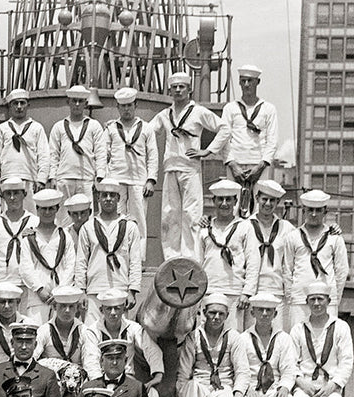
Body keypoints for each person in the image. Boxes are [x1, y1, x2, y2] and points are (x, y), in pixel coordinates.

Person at [150, 70, 228, 257]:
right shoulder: (164, 115)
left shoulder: (198, 112)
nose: (178, 90)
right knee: (170, 215)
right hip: (170, 168)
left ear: (189, 89)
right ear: (170, 90)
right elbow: (146, 130)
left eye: (182, 87)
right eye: (174, 87)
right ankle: (171, 257)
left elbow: (224, 128)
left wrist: (207, 151)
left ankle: (191, 258)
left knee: (191, 215)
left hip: (190, 169)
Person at [175, 293, 252, 397]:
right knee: (190, 387)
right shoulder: (193, 336)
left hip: (223, 386)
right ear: (204, 313)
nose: (216, 317)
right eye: (212, 313)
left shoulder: (234, 337)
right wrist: (181, 393)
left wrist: (238, 393)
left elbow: (242, 371)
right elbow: (184, 371)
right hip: (200, 384)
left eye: (221, 314)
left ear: (227, 316)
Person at [237, 292, 301, 397]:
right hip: (252, 388)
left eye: (268, 310)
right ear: (253, 313)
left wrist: (285, 388)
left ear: (275, 314)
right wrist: (247, 390)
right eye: (260, 310)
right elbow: (240, 369)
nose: (264, 314)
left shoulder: (283, 339)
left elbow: (289, 369)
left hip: (274, 389)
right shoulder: (243, 339)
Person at [73, 177, 143, 324]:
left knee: (118, 340)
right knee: (92, 336)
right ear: (98, 198)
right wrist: (81, 291)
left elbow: (135, 262)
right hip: (94, 290)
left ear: (118, 198)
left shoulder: (130, 227)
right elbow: (81, 261)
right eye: (104, 195)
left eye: (112, 195)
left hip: (120, 289)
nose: (108, 199)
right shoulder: (88, 227)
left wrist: (132, 291)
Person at [281, 189, 348, 331]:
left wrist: (334, 298)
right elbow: (287, 269)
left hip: (326, 299)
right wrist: (291, 296)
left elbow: (341, 270)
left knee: (325, 341)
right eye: (310, 210)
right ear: (304, 211)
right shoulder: (293, 237)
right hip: (299, 298)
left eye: (318, 210)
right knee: (298, 340)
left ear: (325, 212)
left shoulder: (334, 238)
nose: (313, 214)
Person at [289, 282, 353, 397]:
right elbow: (290, 364)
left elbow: (346, 362)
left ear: (328, 301)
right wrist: (303, 384)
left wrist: (332, 385)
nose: (316, 303)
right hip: (304, 388)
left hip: (330, 388)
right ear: (307, 302)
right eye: (312, 299)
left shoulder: (341, 327)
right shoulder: (298, 329)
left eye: (320, 299)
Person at [196, 178, 257, 329]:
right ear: (213, 201)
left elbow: (253, 262)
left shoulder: (245, 227)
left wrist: (247, 292)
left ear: (235, 201)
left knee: (233, 337)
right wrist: (197, 294)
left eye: (228, 199)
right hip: (209, 290)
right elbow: (197, 263)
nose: (224, 203)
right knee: (206, 336)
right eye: (220, 199)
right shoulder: (205, 229)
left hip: (234, 292)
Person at [105, 86, 158, 252]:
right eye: (123, 106)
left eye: (129, 105)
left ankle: (138, 258)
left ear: (135, 105)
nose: (126, 109)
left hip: (138, 181)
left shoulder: (147, 128)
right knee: (114, 219)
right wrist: (106, 180)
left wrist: (151, 180)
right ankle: (115, 252)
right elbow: (104, 154)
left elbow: (153, 155)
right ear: (118, 107)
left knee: (138, 222)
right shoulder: (111, 128)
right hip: (116, 180)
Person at [221, 63, 279, 215]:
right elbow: (224, 139)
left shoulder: (268, 109)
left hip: (259, 165)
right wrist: (233, 165)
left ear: (257, 82)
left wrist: (260, 167)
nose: (246, 85)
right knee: (232, 207)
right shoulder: (230, 108)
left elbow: (272, 141)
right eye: (243, 81)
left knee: (259, 209)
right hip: (235, 165)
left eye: (250, 81)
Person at [20, 188, 77, 321]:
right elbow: (25, 267)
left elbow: (70, 265)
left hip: (61, 299)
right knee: (37, 336)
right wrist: (40, 289)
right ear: (37, 209)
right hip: (37, 298)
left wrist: (60, 292)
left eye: (51, 208)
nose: (47, 212)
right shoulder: (29, 237)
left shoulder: (64, 235)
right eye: (43, 209)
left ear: (57, 209)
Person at [0, 176, 37, 307]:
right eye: (8, 194)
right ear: (3, 196)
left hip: (30, 287)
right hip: (4, 285)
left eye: (16, 193)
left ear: (24, 194)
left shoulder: (34, 222)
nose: (12, 198)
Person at [0, 88, 50, 210]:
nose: (19, 107)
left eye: (22, 103)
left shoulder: (36, 128)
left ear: (28, 105)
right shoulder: (3, 129)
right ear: (10, 106)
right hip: (7, 179)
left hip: (29, 180)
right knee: (8, 215)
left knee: (30, 217)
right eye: (15, 103)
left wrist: (41, 179)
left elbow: (44, 155)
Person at [48, 85, 106, 205]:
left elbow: (101, 153)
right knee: (63, 218)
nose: (77, 104)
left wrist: (100, 175)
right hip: (64, 178)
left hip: (86, 179)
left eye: (81, 101)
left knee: (86, 218)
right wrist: (52, 177)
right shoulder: (58, 126)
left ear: (86, 103)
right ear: (68, 102)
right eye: (74, 101)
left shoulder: (94, 126)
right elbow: (53, 154)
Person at [242, 179, 294, 301]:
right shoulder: (244, 226)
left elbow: (305, 237)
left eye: (272, 200)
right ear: (257, 198)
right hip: (250, 291)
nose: (268, 204)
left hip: (277, 291)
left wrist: (333, 229)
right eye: (264, 199)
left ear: (278, 202)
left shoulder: (286, 228)